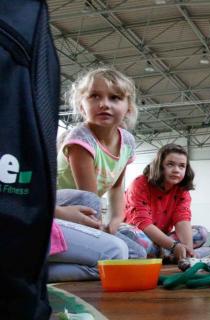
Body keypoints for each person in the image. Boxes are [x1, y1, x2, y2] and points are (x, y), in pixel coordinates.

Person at [49, 67, 143, 282]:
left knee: (137, 254)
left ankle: (46, 269)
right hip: (63, 205)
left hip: (88, 211)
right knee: (89, 199)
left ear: (128, 107)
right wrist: (103, 230)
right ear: (82, 106)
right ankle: (36, 269)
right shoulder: (80, 139)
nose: (104, 104)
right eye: (94, 96)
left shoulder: (127, 141)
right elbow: (88, 197)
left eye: (115, 98)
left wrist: (116, 219)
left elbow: (118, 186)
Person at [120, 144, 210, 262]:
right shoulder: (140, 184)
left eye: (182, 166)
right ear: (160, 166)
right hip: (140, 234)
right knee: (131, 236)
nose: (176, 170)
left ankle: (163, 254)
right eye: (170, 164)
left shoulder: (182, 190)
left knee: (201, 233)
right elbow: (142, 223)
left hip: (163, 239)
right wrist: (173, 246)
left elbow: (182, 219)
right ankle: (166, 254)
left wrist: (188, 251)